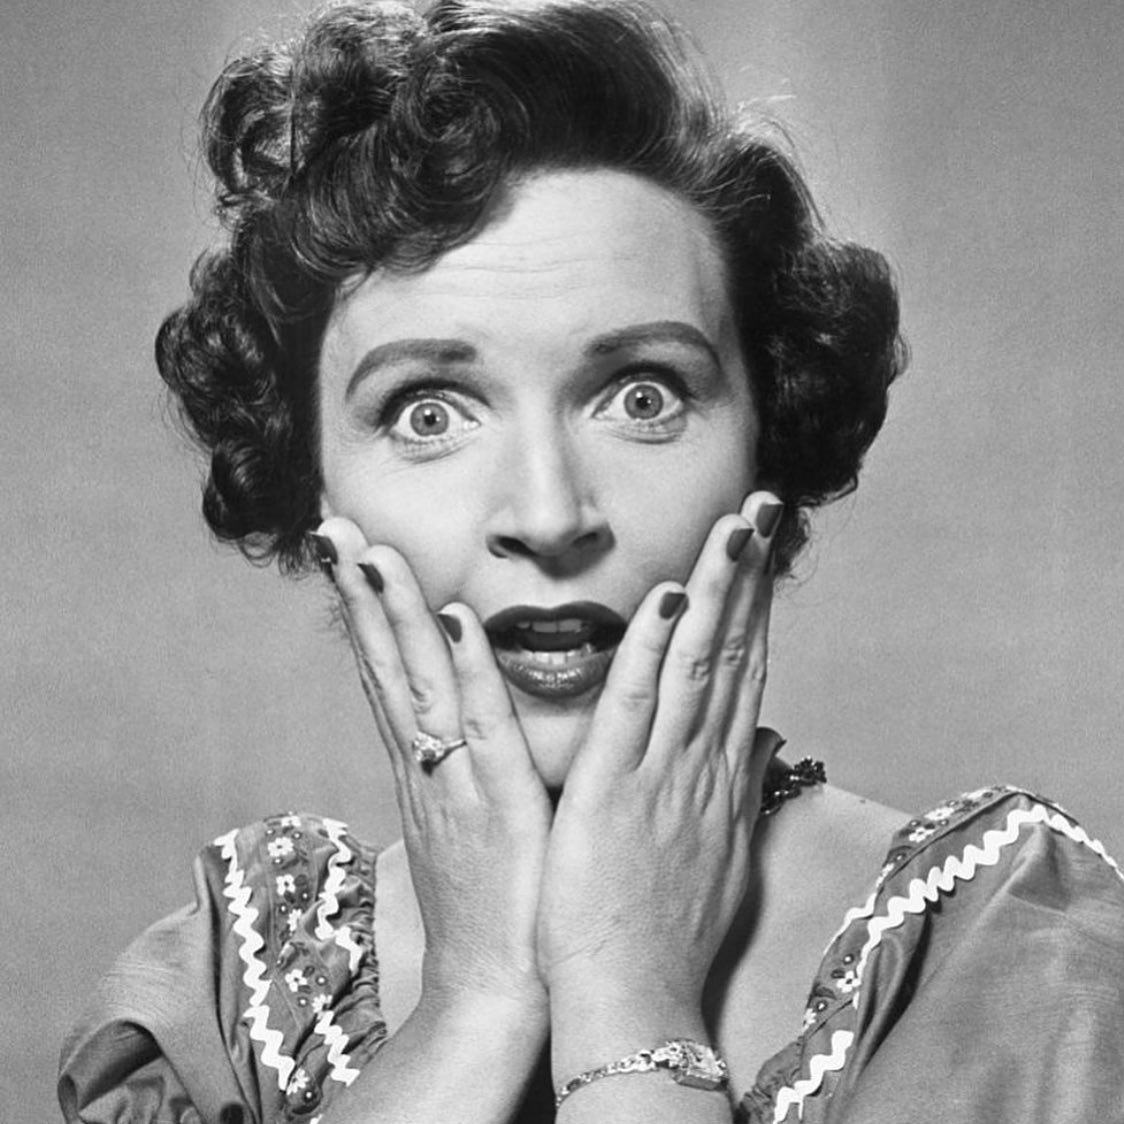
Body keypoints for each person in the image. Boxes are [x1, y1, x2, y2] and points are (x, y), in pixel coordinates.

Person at [58, 1, 1124, 1121]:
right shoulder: (224, 1001)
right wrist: (475, 1003)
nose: (548, 514)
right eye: (429, 411)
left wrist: (629, 994)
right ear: (314, 483)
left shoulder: (1007, 960)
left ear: (766, 445)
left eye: (641, 396)